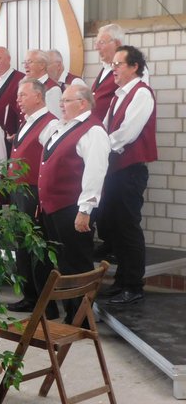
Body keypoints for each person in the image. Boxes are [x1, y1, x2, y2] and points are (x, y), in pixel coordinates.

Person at [38, 83, 110, 323]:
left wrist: (85, 209)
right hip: (53, 207)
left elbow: (95, 172)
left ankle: (81, 319)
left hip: (72, 208)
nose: (61, 105)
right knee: (63, 262)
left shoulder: (93, 131)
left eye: (66, 101)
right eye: (61, 101)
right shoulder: (64, 127)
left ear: (83, 103)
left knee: (77, 263)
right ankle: (71, 313)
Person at [98, 46, 157, 305]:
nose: (113, 69)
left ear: (134, 67)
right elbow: (105, 127)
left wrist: (100, 147)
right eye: (112, 65)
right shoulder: (117, 96)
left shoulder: (141, 93)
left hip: (130, 170)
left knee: (128, 226)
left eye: (118, 64)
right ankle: (121, 281)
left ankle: (133, 285)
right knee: (115, 226)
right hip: (115, 169)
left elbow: (128, 133)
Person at [5, 78, 59, 318]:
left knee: (37, 248)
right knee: (22, 246)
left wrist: (41, 197)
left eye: (23, 95)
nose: (18, 100)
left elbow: (50, 162)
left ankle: (47, 305)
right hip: (19, 191)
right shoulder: (26, 122)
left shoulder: (51, 124)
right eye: (18, 96)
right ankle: (30, 297)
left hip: (34, 192)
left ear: (38, 96)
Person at [22, 49, 63, 119]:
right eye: (24, 62)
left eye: (29, 62)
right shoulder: (27, 85)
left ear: (42, 65)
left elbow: (55, 119)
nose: (25, 66)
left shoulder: (53, 89)